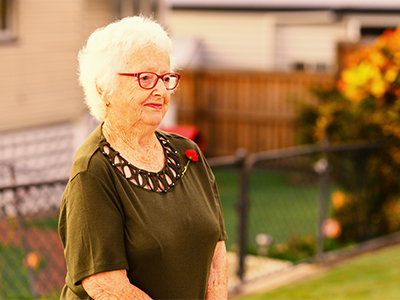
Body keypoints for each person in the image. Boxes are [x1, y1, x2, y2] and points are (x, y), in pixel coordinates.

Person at [58, 16, 228, 300]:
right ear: (103, 88)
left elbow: (217, 253)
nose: (160, 90)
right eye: (145, 78)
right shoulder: (93, 172)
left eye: (166, 78)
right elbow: (107, 286)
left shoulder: (189, 155)